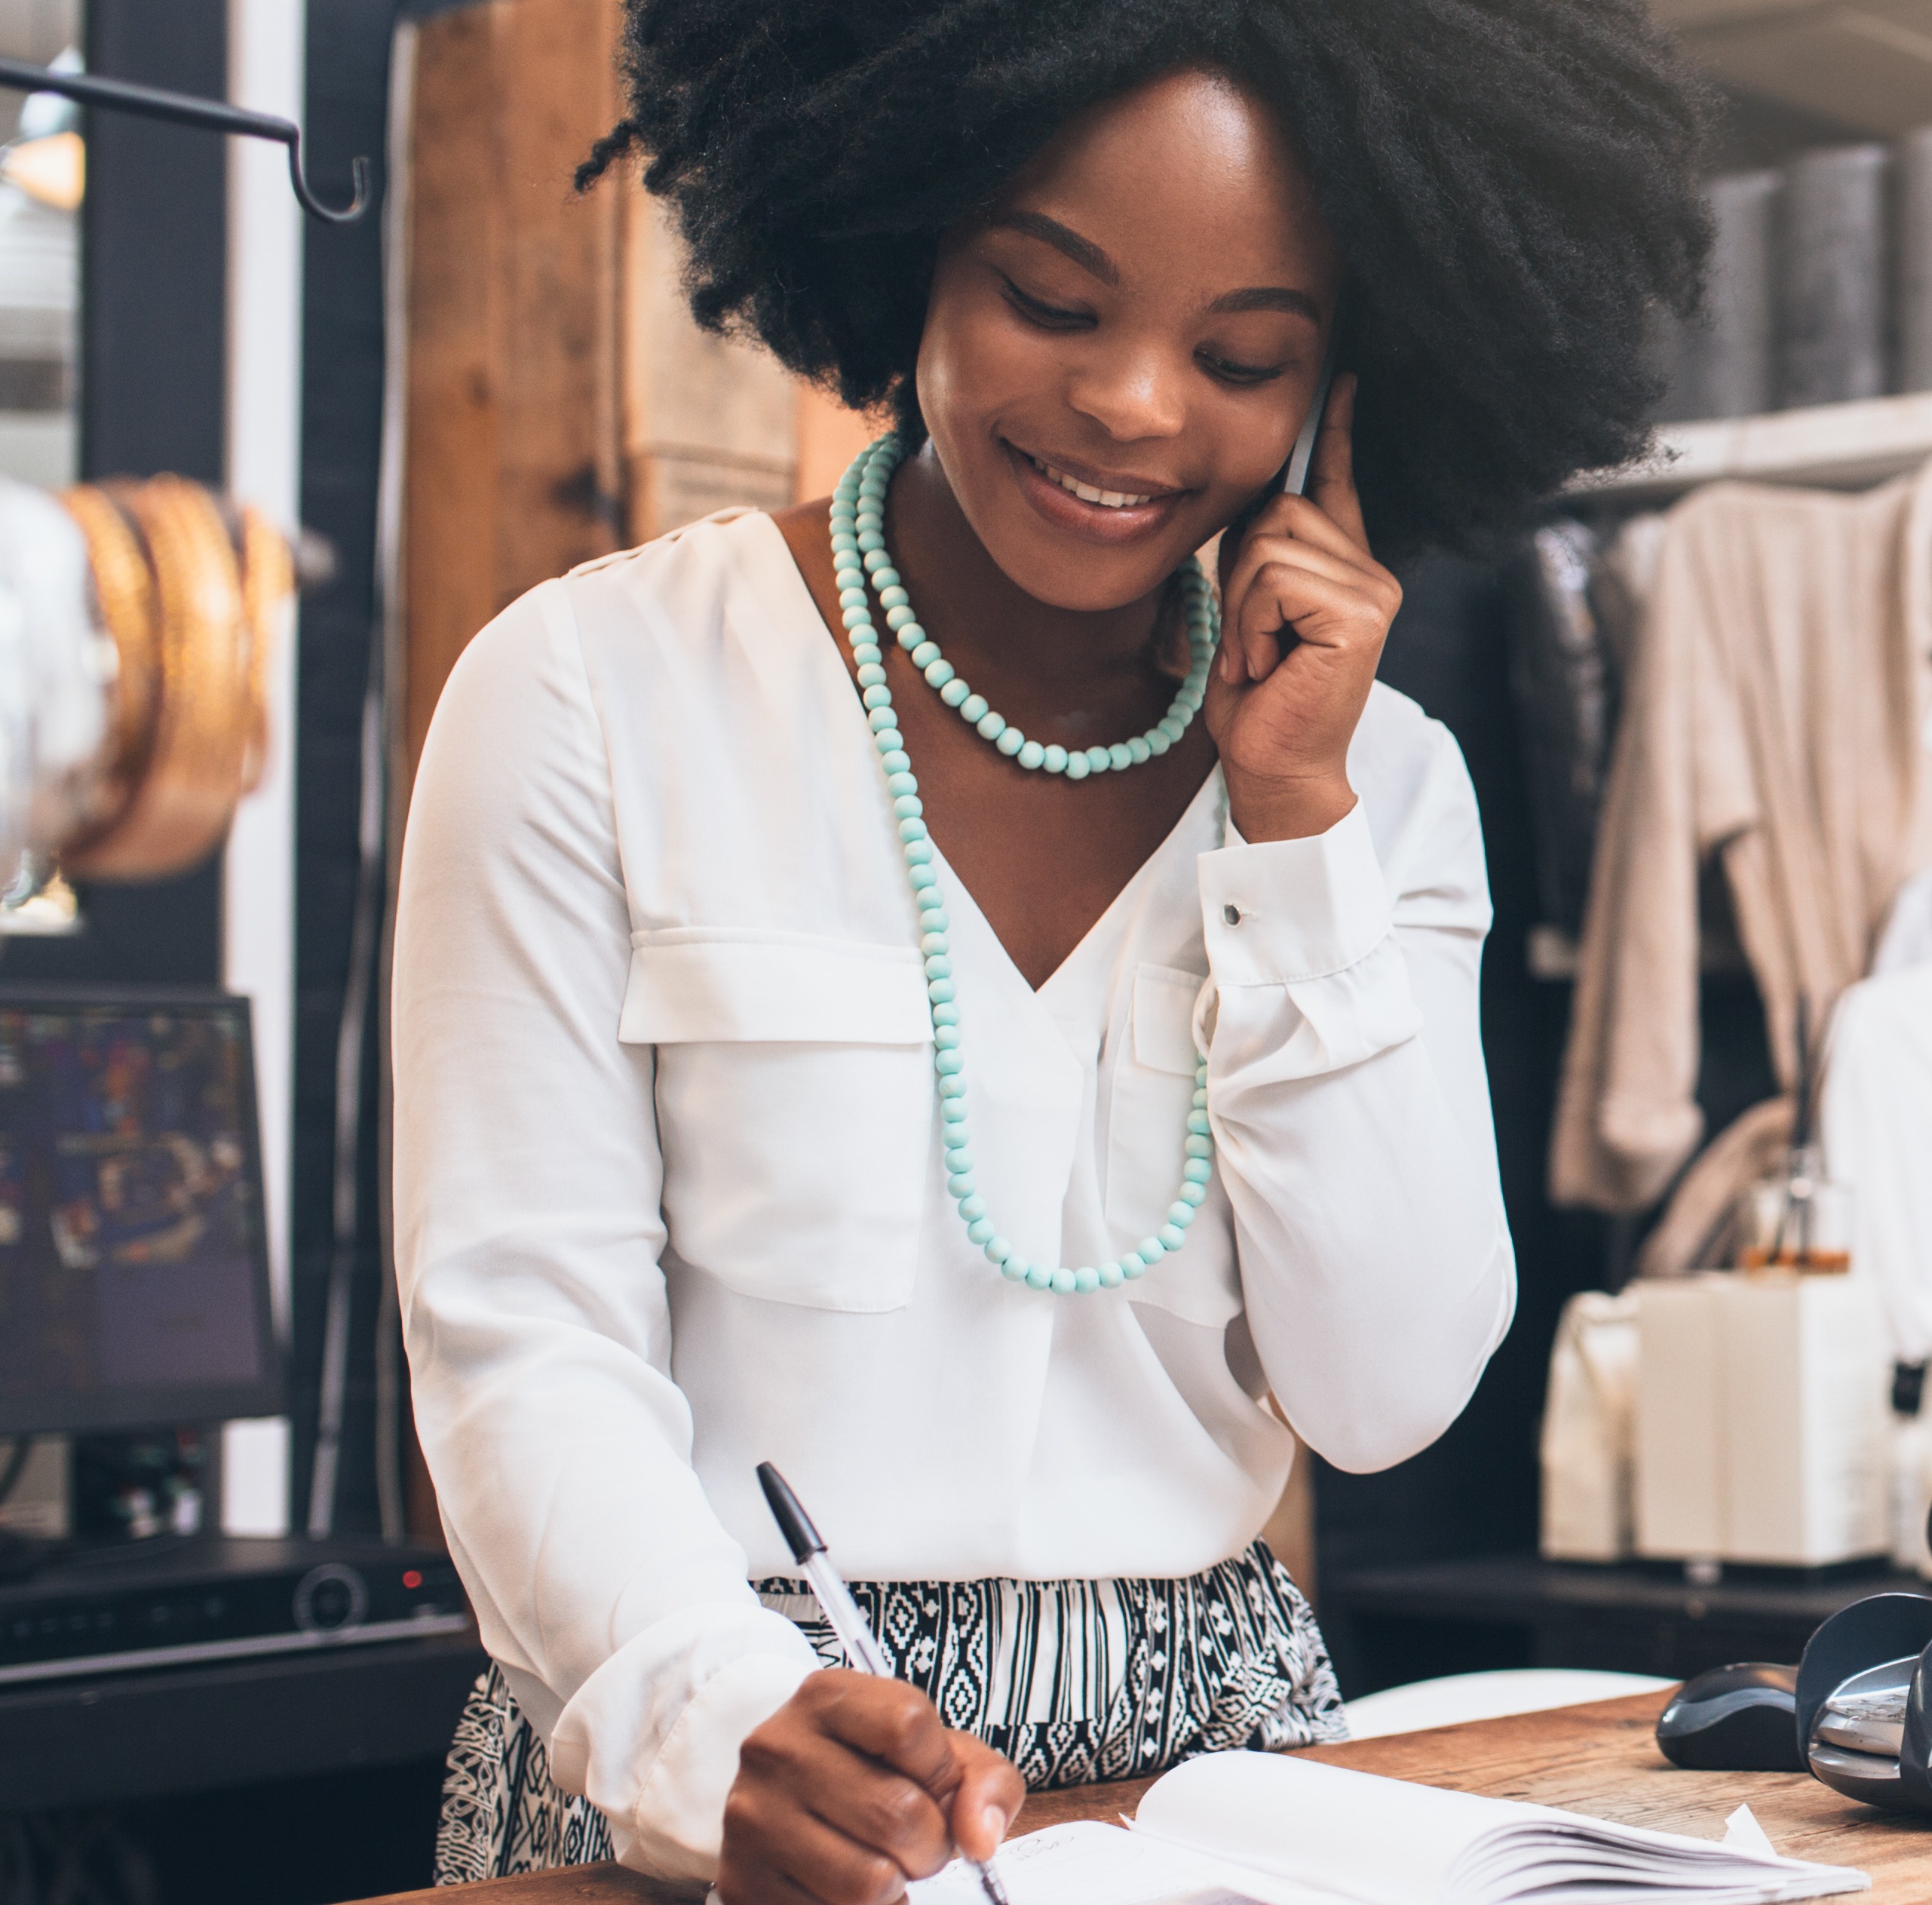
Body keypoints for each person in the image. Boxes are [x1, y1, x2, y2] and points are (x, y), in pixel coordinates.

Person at [388, 5, 1705, 1897]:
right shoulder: (589, 693)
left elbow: (1389, 1390)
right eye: (1050, 298)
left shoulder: (1377, 787)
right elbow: (523, 1343)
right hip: (719, 1763)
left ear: (1353, 386)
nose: (1138, 407)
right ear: (906, 228)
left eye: (1244, 354)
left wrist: (1295, 831)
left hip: (1217, 1797)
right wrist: (714, 1716)